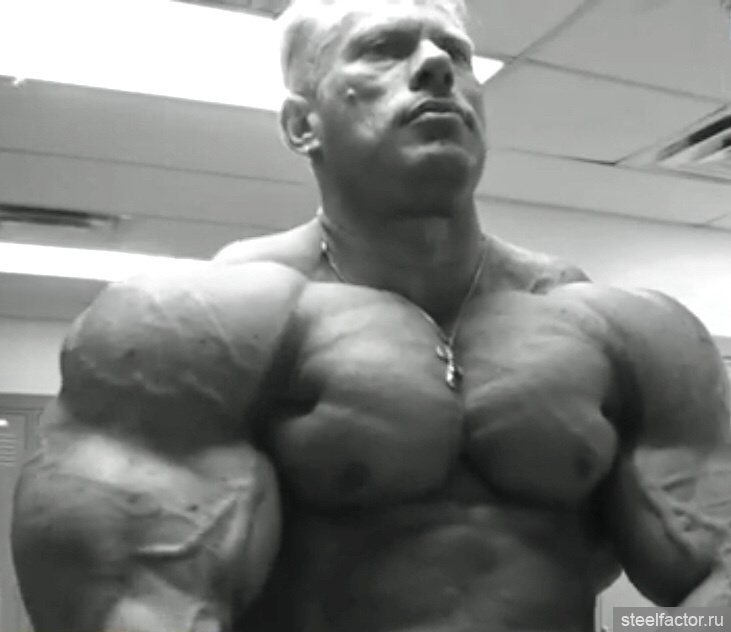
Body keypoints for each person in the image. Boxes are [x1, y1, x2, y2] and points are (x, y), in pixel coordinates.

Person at [11, 0, 731, 630]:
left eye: (455, 54)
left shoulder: (625, 332)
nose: (437, 67)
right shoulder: (195, 329)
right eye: (384, 49)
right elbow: (137, 604)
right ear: (302, 125)